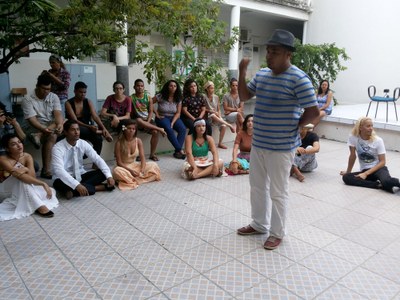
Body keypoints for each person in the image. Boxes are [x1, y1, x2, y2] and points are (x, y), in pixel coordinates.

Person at [236, 29, 319, 250]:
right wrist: (242, 72)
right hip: (259, 144)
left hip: (282, 148)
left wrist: (298, 125)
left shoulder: (299, 78)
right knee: (256, 186)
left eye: (274, 52)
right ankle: (259, 223)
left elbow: (313, 111)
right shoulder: (262, 74)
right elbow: (244, 96)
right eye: (268, 51)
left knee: (278, 191)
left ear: (287, 54)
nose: (269, 56)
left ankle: (277, 232)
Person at [52, 120, 115, 200]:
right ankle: (97, 188)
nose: (76, 132)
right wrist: (77, 185)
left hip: (80, 175)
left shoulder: (83, 143)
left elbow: (97, 159)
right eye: (73, 130)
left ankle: (72, 191)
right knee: (57, 183)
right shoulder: (57, 148)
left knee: (103, 173)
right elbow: (59, 171)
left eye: (78, 129)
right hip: (64, 177)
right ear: (65, 132)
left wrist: (109, 177)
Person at [0, 134, 58, 220]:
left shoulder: (27, 156)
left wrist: (25, 169)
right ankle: (40, 206)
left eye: (19, 142)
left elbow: (32, 177)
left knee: (48, 191)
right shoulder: (2, 159)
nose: (19, 145)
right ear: (7, 149)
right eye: (13, 144)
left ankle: (35, 203)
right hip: (6, 191)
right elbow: (16, 175)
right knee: (20, 179)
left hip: (23, 186)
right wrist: (42, 183)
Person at [340, 117, 400, 193]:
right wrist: (348, 171)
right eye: (368, 126)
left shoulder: (378, 140)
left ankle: (390, 183)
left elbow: (382, 162)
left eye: (372, 126)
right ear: (360, 127)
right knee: (346, 178)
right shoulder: (353, 138)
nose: (371, 128)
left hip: (379, 169)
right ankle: (377, 185)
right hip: (365, 170)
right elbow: (352, 156)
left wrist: (365, 174)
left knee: (387, 182)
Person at [22, 74, 64, 179]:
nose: (46, 91)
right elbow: (32, 120)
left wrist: (59, 125)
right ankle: (46, 170)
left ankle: (39, 135)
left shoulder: (53, 96)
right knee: (53, 135)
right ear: (37, 86)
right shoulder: (27, 99)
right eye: (44, 89)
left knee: (63, 122)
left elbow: (58, 114)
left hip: (51, 124)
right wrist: (44, 129)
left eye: (48, 89)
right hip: (34, 126)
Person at [65, 81, 113, 156]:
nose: (83, 94)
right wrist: (89, 127)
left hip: (87, 127)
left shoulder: (88, 101)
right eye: (80, 92)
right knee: (89, 131)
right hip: (74, 127)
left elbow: (95, 116)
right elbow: (74, 120)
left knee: (98, 139)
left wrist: (104, 128)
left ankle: (96, 162)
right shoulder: (68, 103)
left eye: (84, 92)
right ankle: (100, 132)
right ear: (75, 91)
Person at [112, 120, 161, 190]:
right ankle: (138, 178)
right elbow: (119, 163)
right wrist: (131, 171)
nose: (131, 131)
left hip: (134, 165)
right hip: (124, 167)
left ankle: (132, 179)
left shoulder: (138, 141)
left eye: (133, 129)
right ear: (124, 129)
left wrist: (143, 169)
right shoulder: (119, 143)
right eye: (129, 128)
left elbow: (143, 158)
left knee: (154, 165)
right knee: (117, 171)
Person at [131, 79, 166, 161]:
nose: (140, 87)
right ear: (134, 87)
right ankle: (138, 154)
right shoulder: (131, 98)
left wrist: (147, 122)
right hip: (137, 120)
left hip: (148, 119)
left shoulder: (148, 97)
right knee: (139, 121)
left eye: (141, 86)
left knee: (155, 132)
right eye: (138, 86)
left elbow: (150, 111)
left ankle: (152, 154)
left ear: (143, 87)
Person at [153, 80, 186, 159]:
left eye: (175, 86)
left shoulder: (178, 98)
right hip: (162, 117)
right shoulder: (160, 96)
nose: (173, 88)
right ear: (167, 87)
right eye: (171, 86)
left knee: (183, 129)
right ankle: (179, 150)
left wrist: (173, 122)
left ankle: (177, 152)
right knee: (169, 129)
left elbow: (178, 113)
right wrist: (156, 114)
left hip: (174, 117)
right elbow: (149, 103)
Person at [204, 81, 235, 149]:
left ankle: (220, 143)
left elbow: (218, 109)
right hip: (208, 116)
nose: (212, 90)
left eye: (213, 88)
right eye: (211, 88)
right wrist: (210, 111)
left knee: (223, 126)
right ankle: (229, 125)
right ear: (207, 89)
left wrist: (220, 116)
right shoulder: (203, 97)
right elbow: (202, 109)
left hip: (216, 116)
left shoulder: (216, 97)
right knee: (212, 115)